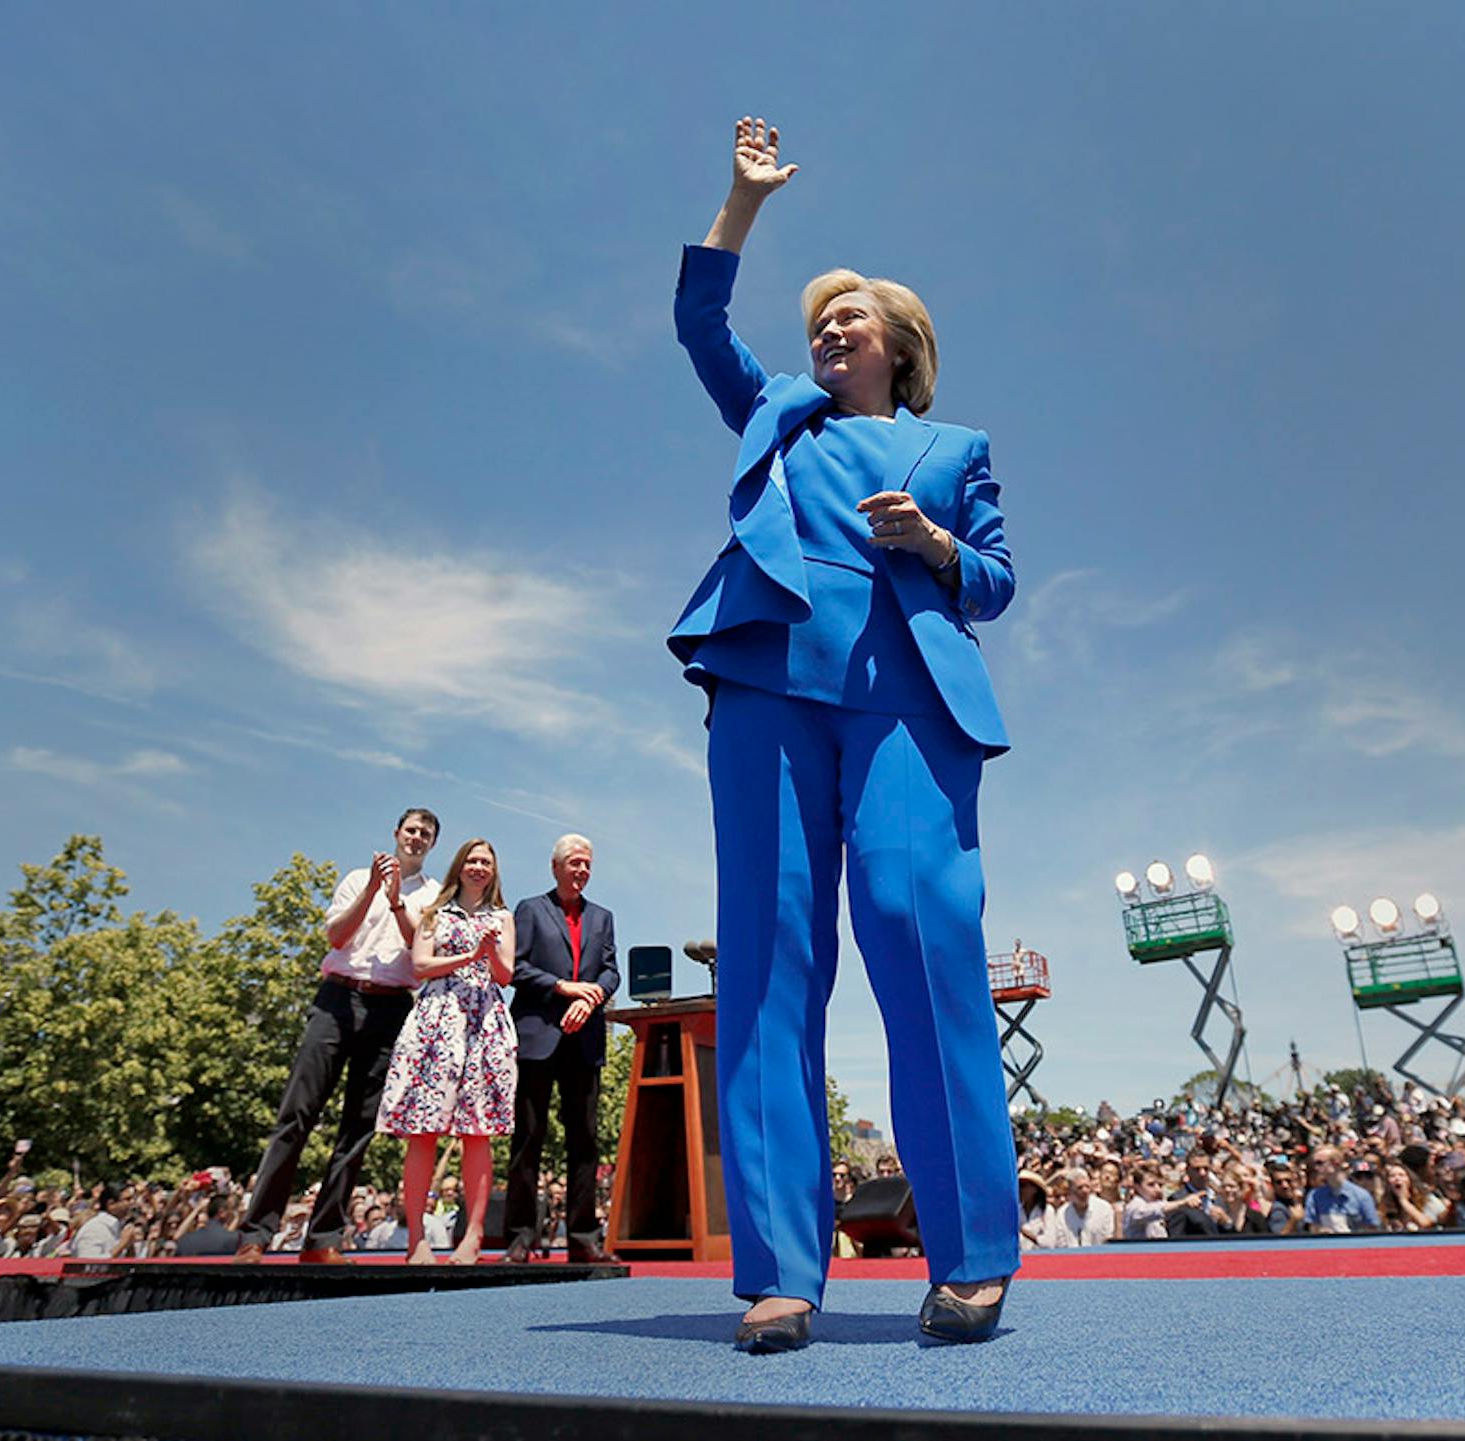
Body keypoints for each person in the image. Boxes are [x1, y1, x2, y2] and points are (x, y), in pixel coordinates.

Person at [671, 117, 1020, 1353]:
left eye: (850, 318)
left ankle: (973, 1252)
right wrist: (740, 204)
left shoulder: (953, 448)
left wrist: (932, 546)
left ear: (900, 347)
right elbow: (701, 328)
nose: (828, 330)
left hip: (906, 706)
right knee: (768, 962)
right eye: (819, 318)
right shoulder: (773, 409)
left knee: (922, 936)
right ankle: (778, 1272)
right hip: (767, 685)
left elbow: (996, 582)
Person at [236, 808, 439, 1264]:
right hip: (338, 1000)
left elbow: (419, 949)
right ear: (396, 833)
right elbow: (336, 936)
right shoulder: (354, 879)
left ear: (432, 844)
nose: (417, 838)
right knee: (296, 1115)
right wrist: (372, 889)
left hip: (391, 1005)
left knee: (359, 1127)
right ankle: (256, 1233)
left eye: (426, 834)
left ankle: (324, 1238)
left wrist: (395, 900)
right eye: (411, 830)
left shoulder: (433, 895)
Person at [379, 838, 521, 1266]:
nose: (478, 867)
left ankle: (473, 1236)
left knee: (477, 1131)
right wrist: (468, 955)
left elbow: (505, 975)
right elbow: (421, 966)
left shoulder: (503, 917)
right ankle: (416, 1239)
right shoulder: (432, 915)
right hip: (437, 1020)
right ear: (459, 866)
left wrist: (488, 953)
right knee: (422, 1130)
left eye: (486, 862)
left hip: (484, 1023)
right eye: (472, 860)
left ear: (494, 872)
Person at [503, 834, 619, 1264]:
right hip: (538, 1036)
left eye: (587, 864)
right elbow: (515, 967)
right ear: (555, 867)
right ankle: (519, 1237)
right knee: (528, 1139)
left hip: (584, 1039)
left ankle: (584, 1237)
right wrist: (563, 989)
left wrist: (589, 1000)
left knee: (585, 1141)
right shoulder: (530, 909)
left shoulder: (603, 917)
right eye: (574, 863)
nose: (581, 871)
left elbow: (610, 972)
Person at [1303, 1147, 1380, 1233]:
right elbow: (1312, 1227)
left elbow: (1372, 1229)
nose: (1316, 1168)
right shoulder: (1314, 1196)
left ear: (1336, 1162)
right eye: (1314, 1164)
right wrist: (1321, 1231)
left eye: (1320, 1163)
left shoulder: (1362, 1196)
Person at [174, 1194, 243, 1258]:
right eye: (230, 1211)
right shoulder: (234, 1239)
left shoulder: (185, 1240)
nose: (231, 1214)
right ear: (222, 1212)